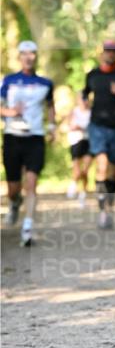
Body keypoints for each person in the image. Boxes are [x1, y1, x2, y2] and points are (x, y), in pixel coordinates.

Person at [1, 40, 55, 246]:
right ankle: (15, 202)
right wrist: (10, 112)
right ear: (19, 56)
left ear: (36, 56)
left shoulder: (45, 83)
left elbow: (50, 106)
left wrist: (52, 127)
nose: (28, 57)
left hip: (35, 137)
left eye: (32, 53)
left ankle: (28, 227)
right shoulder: (9, 81)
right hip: (13, 137)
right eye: (24, 53)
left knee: (32, 183)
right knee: (13, 187)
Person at [83, 39, 115, 229]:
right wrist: (83, 101)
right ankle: (102, 209)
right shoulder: (93, 75)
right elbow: (84, 92)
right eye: (108, 50)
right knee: (102, 166)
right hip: (97, 125)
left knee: (113, 171)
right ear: (102, 53)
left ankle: (109, 208)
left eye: (114, 51)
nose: (110, 53)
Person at [66, 94, 91, 207]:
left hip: (89, 142)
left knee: (85, 170)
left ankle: (83, 194)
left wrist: (81, 127)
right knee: (77, 170)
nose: (84, 101)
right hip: (76, 142)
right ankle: (74, 182)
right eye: (82, 99)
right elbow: (69, 125)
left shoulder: (92, 112)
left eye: (86, 99)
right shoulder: (74, 112)